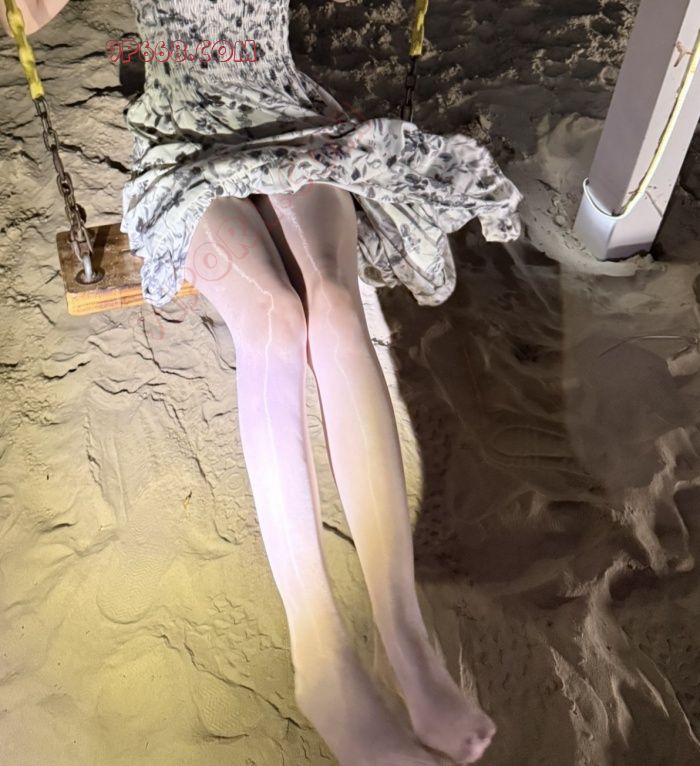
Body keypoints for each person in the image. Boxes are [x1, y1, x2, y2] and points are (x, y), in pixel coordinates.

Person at [4, 0, 523, 762]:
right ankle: (320, 656)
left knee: (336, 308)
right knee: (275, 316)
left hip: (286, 114)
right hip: (185, 139)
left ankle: (403, 637)